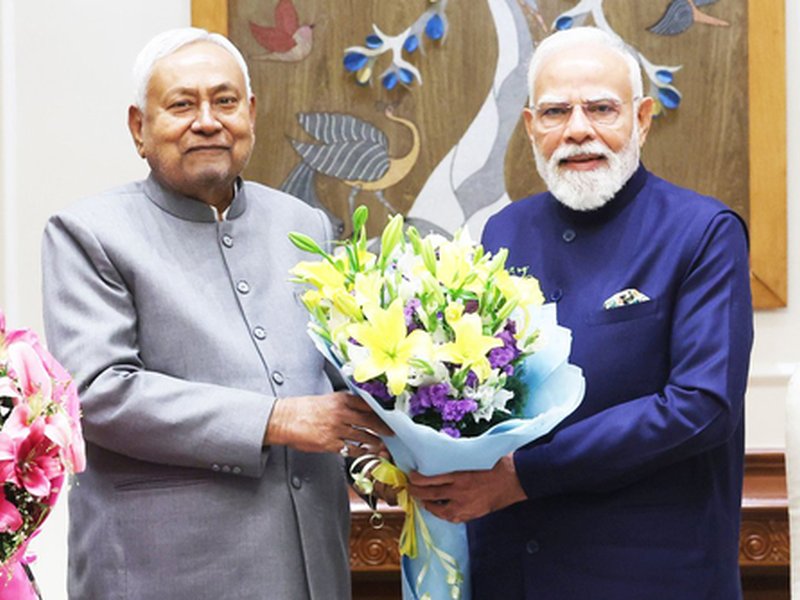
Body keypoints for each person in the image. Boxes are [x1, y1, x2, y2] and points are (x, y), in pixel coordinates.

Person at [41, 28, 389, 600]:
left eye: (224, 101)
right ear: (139, 128)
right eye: (182, 105)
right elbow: (98, 392)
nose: (207, 121)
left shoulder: (303, 225)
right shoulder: (88, 233)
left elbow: (344, 373)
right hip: (163, 571)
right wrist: (275, 419)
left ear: (250, 113)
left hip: (310, 566)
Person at [407, 26, 753, 599]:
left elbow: (701, 405)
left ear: (642, 118)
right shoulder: (504, 231)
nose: (577, 130)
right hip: (512, 572)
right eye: (555, 112)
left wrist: (524, 476)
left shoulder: (703, 232)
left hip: (649, 577)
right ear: (530, 126)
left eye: (601, 109)